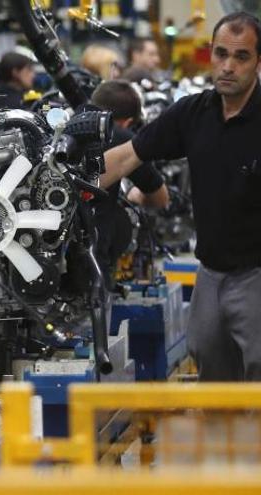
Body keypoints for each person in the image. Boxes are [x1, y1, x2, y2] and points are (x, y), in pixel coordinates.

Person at [101, 12, 261, 381]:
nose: (228, 66)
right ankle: (224, 437)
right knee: (207, 358)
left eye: (241, 57)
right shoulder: (195, 112)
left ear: (257, 62)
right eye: (221, 54)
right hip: (211, 270)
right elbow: (128, 155)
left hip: (255, 272)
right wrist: (70, 181)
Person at [89, 80, 169, 287]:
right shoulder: (123, 138)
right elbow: (160, 198)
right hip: (93, 261)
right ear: (128, 122)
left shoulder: (63, 128)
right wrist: (136, 195)